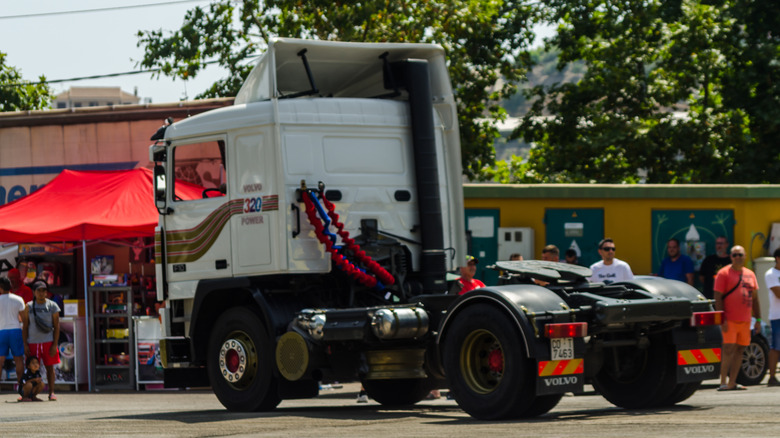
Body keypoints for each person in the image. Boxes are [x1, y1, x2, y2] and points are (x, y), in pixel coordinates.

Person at [714, 245, 760, 391]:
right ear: (730, 257)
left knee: (740, 350)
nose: (738, 257)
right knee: (728, 349)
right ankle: (722, 381)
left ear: (745, 256)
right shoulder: (723, 273)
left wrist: (758, 319)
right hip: (730, 319)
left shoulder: (750, 274)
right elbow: (717, 297)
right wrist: (722, 318)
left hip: (745, 319)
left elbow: (755, 299)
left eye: (740, 255)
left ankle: (732, 382)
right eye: (735, 255)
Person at [23, 280, 61, 401]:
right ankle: (29, 394)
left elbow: (57, 326)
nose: (41, 293)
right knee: (31, 369)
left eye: (43, 290)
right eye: (38, 290)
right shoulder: (28, 306)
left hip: (48, 342)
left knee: (50, 368)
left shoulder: (52, 306)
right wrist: (25, 344)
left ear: (46, 292)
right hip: (33, 342)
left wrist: (55, 344)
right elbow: (25, 326)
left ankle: (51, 392)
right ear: (34, 292)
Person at [0, 277, 27, 389]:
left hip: (1, 331)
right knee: (19, 359)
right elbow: (25, 319)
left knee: (0, 361)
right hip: (15, 330)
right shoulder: (18, 299)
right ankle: (21, 386)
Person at [763, 248, 780, 387]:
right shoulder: (771, 274)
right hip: (777, 316)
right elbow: (778, 293)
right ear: (778, 258)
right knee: (776, 347)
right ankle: (772, 377)